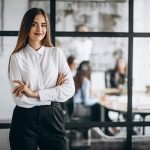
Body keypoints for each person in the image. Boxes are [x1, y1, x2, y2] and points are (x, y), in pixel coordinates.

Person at [8, 8, 75, 150]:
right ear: (26, 27)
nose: (40, 29)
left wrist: (34, 93)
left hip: (53, 118)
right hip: (24, 120)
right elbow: (20, 99)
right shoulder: (16, 58)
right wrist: (53, 92)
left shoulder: (56, 53)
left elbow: (69, 90)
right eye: (34, 24)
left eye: (43, 25)